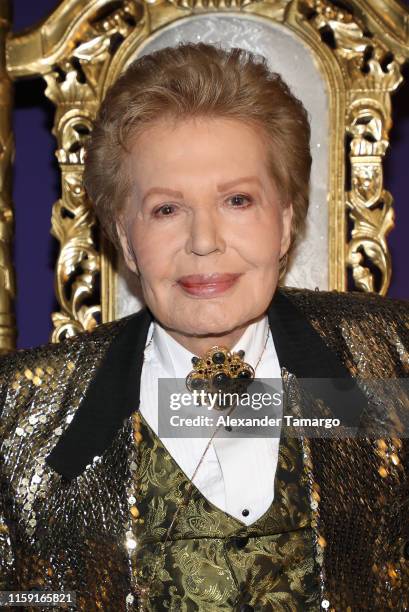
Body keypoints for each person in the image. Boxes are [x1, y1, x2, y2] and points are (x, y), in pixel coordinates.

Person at [0, 42, 408, 612]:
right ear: (124, 237)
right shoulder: (16, 416)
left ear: (286, 222)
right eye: (167, 209)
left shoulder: (395, 360)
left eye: (238, 200)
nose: (204, 241)